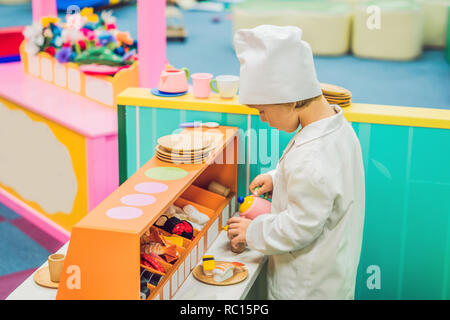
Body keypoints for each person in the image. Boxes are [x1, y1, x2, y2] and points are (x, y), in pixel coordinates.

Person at [227, 25, 365, 300]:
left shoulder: (312, 157)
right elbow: (322, 185)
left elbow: (299, 227)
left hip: (306, 287)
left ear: (290, 100)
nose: (262, 119)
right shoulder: (335, 127)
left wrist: (253, 231)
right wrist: (279, 178)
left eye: (262, 110)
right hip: (330, 273)